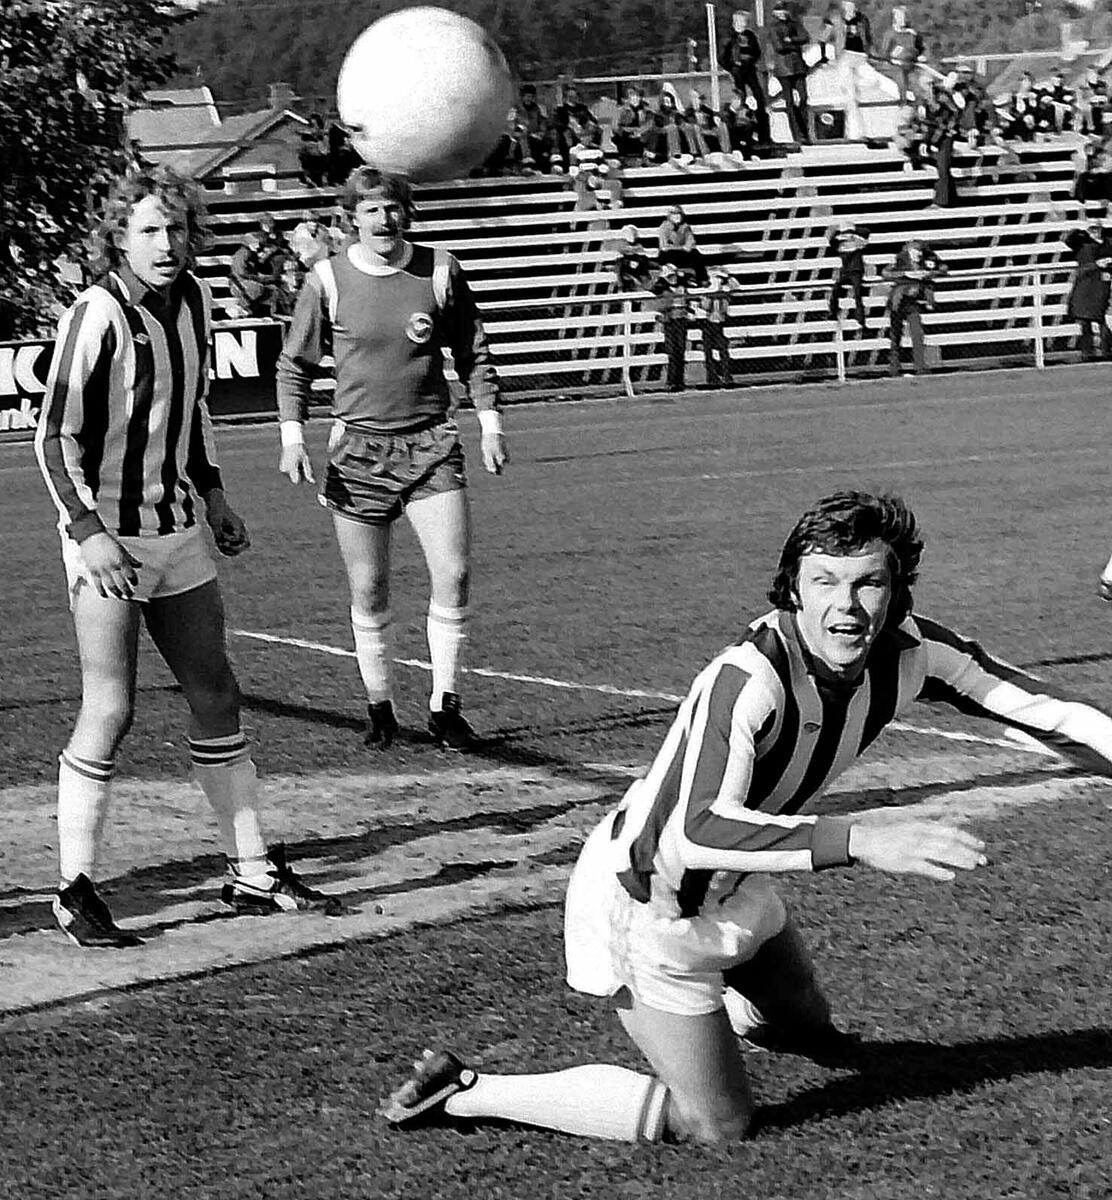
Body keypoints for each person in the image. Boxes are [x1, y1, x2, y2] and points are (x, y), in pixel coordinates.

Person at [381, 488, 1112, 1144]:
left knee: (810, 1033)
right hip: (651, 901)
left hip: (741, 876)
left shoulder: (915, 651)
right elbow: (695, 828)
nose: (846, 607)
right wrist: (861, 840)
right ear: (793, 589)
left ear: (898, 592)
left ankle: (712, 1023)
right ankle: (471, 1091)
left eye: (868, 583)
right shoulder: (748, 678)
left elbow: (1044, 711)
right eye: (824, 582)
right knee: (720, 1125)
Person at [33, 167, 339, 948]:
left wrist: (215, 496)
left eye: (175, 230)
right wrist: (87, 531)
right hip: (110, 539)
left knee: (216, 691)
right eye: (148, 231)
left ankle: (250, 871)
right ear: (118, 238)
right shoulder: (95, 314)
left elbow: (192, 410)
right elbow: (52, 436)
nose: (165, 245)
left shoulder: (198, 301)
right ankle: (74, 890)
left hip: (177, 532)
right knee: (112, 707)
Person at [275, 167, 508, 751]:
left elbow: (472, 352)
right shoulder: (326, 279)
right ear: (351, 216)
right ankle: (380, 708)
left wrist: (489, 423)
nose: (385, 219)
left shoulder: (441, 270)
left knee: (453, 573)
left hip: (431, 442)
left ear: (408, 212)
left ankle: (445, 705)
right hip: (358, 451)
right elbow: (294, 366)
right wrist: (292, 438)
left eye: (394, 208)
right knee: (370, 587)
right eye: (372, 209)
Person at [883, 238, 946, 375]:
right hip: (898, 301)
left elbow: (943, 268)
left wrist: (929, 273)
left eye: (919, 251)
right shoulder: (899, 259)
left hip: (912, 302)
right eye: (914, 251)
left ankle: (919, 365)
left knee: (917, 334)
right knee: (895, 335)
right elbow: (885, 273)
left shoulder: (926, 259)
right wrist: (904, 274)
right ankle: (894, 367)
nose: (917, 254)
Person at [821, 1, 874, 141]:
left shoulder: (862, 20)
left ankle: (869, 126)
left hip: (861, 56)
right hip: (845, 56)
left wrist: (870, 52)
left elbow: (868, 37)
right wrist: (824, 56)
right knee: (850, 96)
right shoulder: (836, 20)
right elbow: (823, 38)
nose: (851, 9)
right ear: (843, 8)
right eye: (848, 6)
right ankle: (854, 133)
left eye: (853, 6)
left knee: (873, 83)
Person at [719, 9, 770, 146]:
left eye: (745, 21)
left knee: (759, 98)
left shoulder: (750, 35)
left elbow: (757, 51)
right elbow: (722, 57)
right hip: (737, 72)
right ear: (736, 21)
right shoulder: (729, 37)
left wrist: (751, 60)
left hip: (750, 70)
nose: (745, 23)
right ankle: (739, 136)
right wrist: (732, 67)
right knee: (740, 99)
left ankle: (764, 135)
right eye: (742, 21)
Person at [1064, 222, 1112, 361]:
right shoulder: (1082, 245)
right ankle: (1088, 352)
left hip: (1100, 286)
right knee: (1086, 322)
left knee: (1101, 320)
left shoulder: (1107, 245)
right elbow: (1069, 239)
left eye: (1097, 229)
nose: (1094, 232)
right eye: (1092, 230)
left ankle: (1105, 351)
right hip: (1085, 286)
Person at [767, 2, 812, 145]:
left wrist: (791, 40)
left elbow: (806, 37)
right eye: (779, 12)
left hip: (798, 66)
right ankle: (797, 135)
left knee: (804, 98)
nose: (782, 15)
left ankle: (805, 131)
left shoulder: (795, 24)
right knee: (790, 103)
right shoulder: (774, 28)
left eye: (784, 12)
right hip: (783, 69)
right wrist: (795, 45)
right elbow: (779, 47)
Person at [649, 263, 691, 391]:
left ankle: (679, 380)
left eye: (673, 276)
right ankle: (672, 380)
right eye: (669, 276)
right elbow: (658, 305)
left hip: (680, 320)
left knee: (680, 351)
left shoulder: (682, 287)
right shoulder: (662, 290)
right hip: (670, 321)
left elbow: (688, 300)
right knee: (672, 352)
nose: (672, 278)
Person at [827, 221, 871, 330]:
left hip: (855, 271)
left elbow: (866, 233)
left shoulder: (857, 241)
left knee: (857, 294)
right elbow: (832, 241)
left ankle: (860, 319)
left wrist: (853, 233)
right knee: (837, 290)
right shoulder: (841, 244)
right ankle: (833, 312)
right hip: (847, 271)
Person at [696, 266, 736, 386]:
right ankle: (712, 377)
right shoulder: (705, 289)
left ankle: (726, 375)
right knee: (708, 350)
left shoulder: (724, 289)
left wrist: (727, 278)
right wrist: (712, 293)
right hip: (707, 321)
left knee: (723, 349)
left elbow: (736, 287)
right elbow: (705, 306)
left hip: (719, 322)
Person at [228, 229, 275, 318]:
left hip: (243, 281)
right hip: (240, 283)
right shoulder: (243, 253)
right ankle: (243, 309)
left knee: (269, 290)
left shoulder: (250, 253)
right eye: (255, 243)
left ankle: (247, 309)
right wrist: (258, 278)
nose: (257, 246)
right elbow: (241, 272)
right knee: (262, 289)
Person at [657, 205, 709, 286]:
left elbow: (689, 245)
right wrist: (680, 247)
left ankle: (702, 279)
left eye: (679, 214)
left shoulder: (685, 227)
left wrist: (677, 247)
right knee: (664, 255)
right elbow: (664, 247)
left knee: (696, 254)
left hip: (681, 253)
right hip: (669, 254)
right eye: (674, 214)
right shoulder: (664, 227)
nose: (677, 217)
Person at [883, 5, 925, 103]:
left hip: (911, 64)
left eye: (904, 17)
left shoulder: (912, 34)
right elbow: (885, 52)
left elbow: (920, 48)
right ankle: (903, 102)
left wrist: (920, 56)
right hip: (896, 65)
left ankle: (922, 106)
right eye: (900, 17)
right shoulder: (890, 34)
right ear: (894, 18)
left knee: (918, 83)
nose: (903, 20)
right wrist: (891, 58)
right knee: (902, 81)